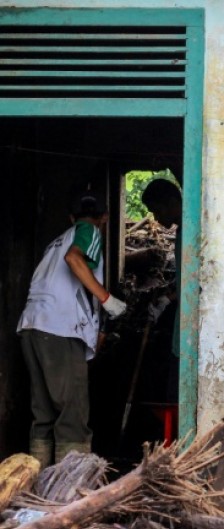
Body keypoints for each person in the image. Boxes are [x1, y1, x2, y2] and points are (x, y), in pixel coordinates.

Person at [17, 190, 127, 466]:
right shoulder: (89, 231)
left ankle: (38, 485)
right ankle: (69, 493)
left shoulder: (54, 243)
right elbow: (75, 260)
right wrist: (107, 299)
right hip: (59, 330)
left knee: (43, 415)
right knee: (72, 415)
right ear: (104, 218)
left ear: (70, 217)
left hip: (32, 327)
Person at [141, 179, 182, 357]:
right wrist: (167, 297)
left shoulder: (192, 231)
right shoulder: (182, 231)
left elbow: (198, 282)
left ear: (173, 203)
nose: (156, 218)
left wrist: (168, 299)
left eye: (158, 211)